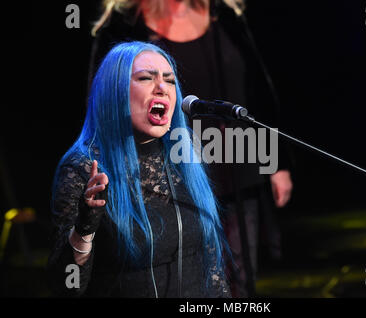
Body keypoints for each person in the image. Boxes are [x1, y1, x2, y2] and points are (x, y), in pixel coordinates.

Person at [88, 0, 294, 297]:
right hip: (168, 174)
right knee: (185, 276)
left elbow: (259, 90)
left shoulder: (223, 14)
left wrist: (278, 161)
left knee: (239, 277)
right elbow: (102, 101)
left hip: (239, 165)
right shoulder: (124, 23)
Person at [47, 41, 230, 297]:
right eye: (146, 78)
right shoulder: (82, 169)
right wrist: (84, 230)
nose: (162, 88)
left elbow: (210, 266)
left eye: (170, 80)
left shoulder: (185, 152)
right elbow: (68, 287)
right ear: (115, 92)